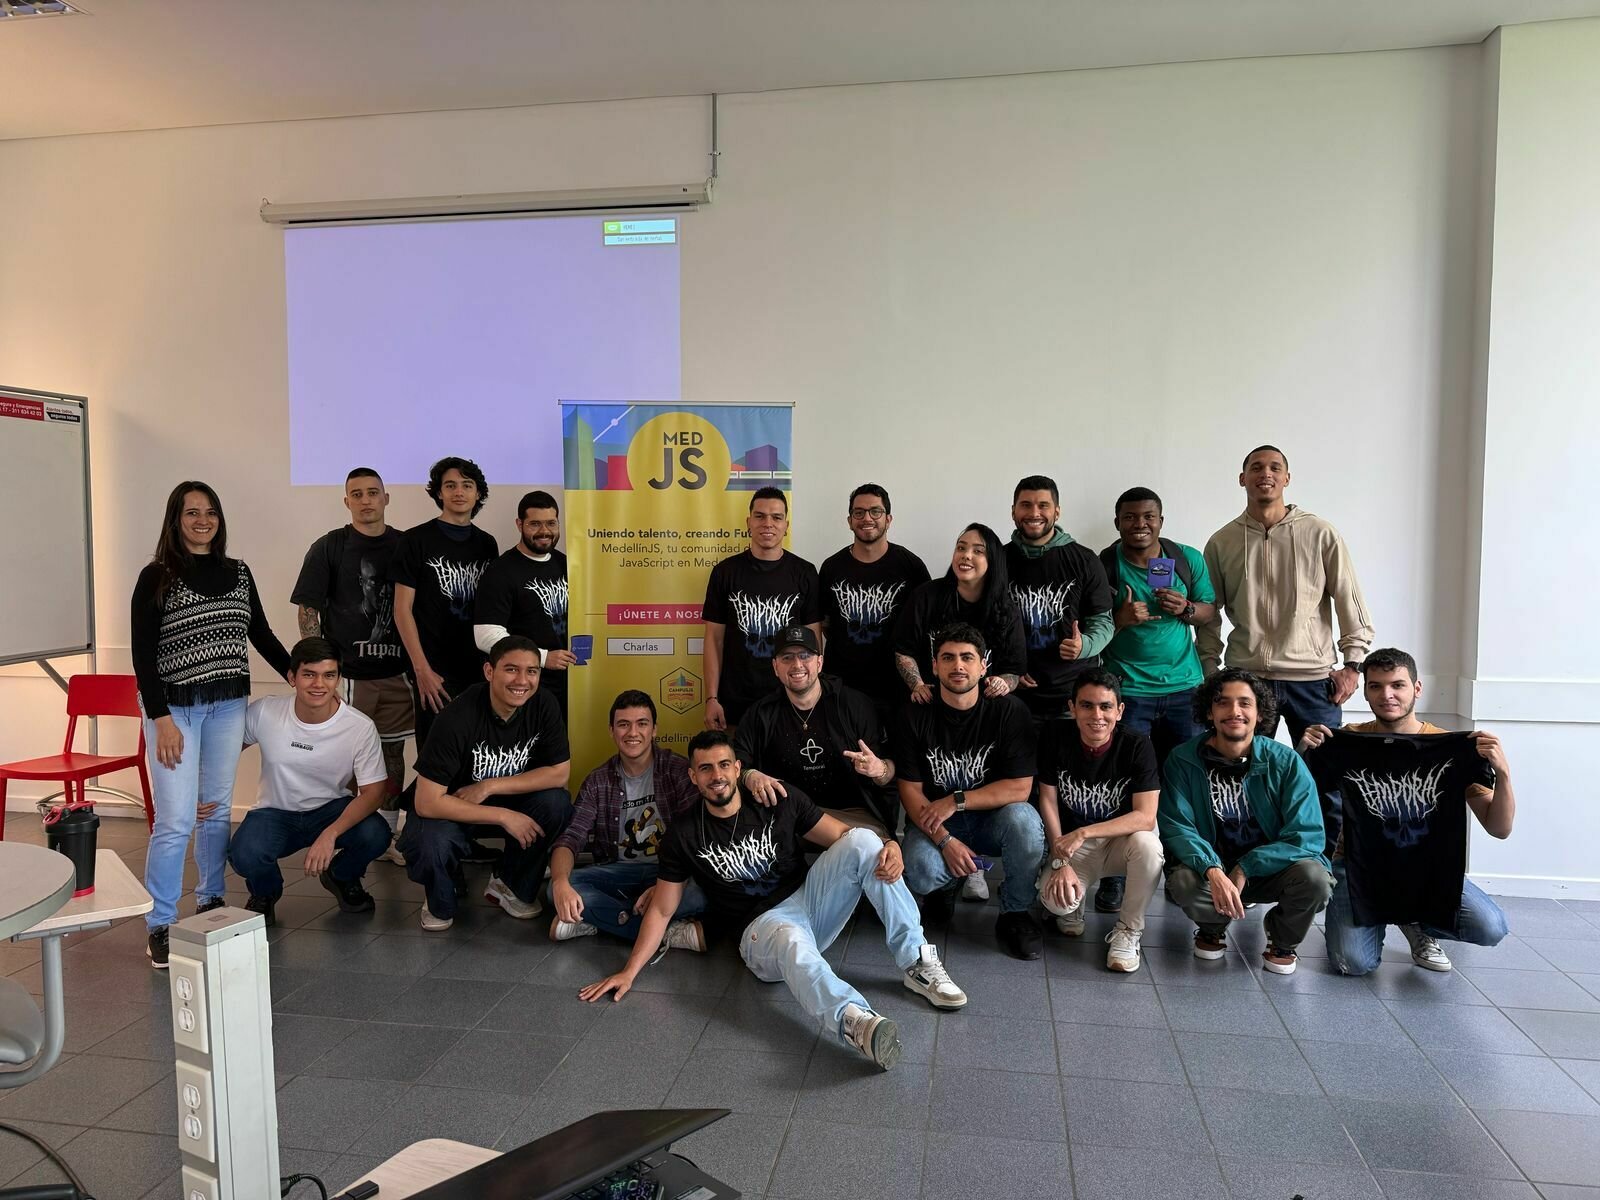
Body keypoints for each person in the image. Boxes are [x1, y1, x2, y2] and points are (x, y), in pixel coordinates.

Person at [579, 731, 968, 1071]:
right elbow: (663, 908)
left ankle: (916, 961)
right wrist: (629, 971)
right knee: (789, 939)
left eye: (724, 765)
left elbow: (844, 837)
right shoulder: (683, 835)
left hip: (809, 902)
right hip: (760, 931)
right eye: (706, 769)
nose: (717, 776)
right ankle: (855, 1021)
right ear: (693, 776)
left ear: (738, 769)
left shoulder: (777, 799)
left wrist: (888, 845)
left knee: (865, 841)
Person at [132, 481, 292, 968]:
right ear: (175, 519)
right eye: (192, 512)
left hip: (227, 705)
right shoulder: (157, 576)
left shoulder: (238, 572)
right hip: (173, 710)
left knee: (217, 809)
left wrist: (299, 673)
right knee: (176, 820)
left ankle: (210, 901)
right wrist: (161, 719)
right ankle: (160, 923)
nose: (202, 521)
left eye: (211, 512)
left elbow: (259, 632)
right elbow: (143, 656)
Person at [1299, 648, 1515, 975]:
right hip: (1359, 867)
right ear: (1366, 691)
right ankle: (1402, 914)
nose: (1387, 695)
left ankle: (1416, 920)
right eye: (1376, 686)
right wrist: (1304, 752)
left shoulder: (1450, 747)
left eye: (1397, 685)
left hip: (1429, 869)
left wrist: (1503, 774)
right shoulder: (1348, 741)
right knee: (1352, 964)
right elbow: (1298, 801)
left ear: (1417, 688)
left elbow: (1499, 828)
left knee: (1492, 927)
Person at [1158, 668, 1333, 975]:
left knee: (1316, 880)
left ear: (1259, 712)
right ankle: (1212, 927)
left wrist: (1246, 867)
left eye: (1245, 703)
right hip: (1212, 869)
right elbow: (1177, 826)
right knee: (1182, 882)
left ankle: (1282, 939)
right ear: (1209, 712)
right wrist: (1212, 870)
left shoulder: (1286, 762)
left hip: (1271, 869)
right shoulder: (1183, 759)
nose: (1234, 711)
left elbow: (1307, 835)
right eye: (1223, 702)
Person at [1197, 445, 1374, 744]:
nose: (1265, 473)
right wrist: (1210, 667)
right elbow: (1208, 610)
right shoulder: (1222, 542)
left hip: (1312, 681)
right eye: (1256, 467)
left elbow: (1349, 598)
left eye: (1275, 467)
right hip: (1247, 679)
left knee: (1320, 768)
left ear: (1287, 478)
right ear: (1242, 478)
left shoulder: (1320, 533)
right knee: (1244, 767)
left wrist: (1353, 665)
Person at [397, 636, 572, 931]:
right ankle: (441, 893)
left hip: (502, 798)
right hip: (452, 806)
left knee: (557, 804)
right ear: (489, 671)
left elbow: (559, 773)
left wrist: (489, 786)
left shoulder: (543, 703)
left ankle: (509, 884)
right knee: (430, 843)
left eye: (531, 671)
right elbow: (427, 802)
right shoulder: (457, 717)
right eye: (511, 669)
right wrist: (503, 816)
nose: (522, 680)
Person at [895, 623, 1045, 960]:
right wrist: (945, 842)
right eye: (948, 658)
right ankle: (945, 887)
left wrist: (956, 800)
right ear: (935, 667)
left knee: (1025, 822)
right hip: (938, 823)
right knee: (919, 869)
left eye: (967, 657)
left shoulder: (1009, 711)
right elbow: (910, 792)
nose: (958, 666)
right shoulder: (913, 713)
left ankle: (1015, 913)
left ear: (983, 666)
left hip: (993, 821)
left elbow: (1021, 787)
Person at [227, 638, 393, 927]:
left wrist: (331, 833)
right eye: (309, 674)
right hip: (275, 813)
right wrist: (204, 794)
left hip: (330, 810)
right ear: (292, 677)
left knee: (377, 833)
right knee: (244, 854)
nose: (319, 684)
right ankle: (265, 893)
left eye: (329, 675)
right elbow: (225, 754)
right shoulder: (266, 711)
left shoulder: (359, 727)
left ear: (338, 679)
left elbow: (374, 793)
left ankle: (342, 875)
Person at [291, 467, 412, 862]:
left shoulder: (406, 545)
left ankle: (386, 836)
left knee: (391, 757)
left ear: (386, 498)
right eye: (356, 494)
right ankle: (337, 833)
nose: (365, 500)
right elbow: (308, 609)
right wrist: (317, 667)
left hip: (396, 673)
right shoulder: (330, 546)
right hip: (348, 676)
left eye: (372, 492)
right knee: (339, 760)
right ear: (347, 502)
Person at [548, 690, 705, 946]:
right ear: (612, 731)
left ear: (654, 729)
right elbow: (571, 838)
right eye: (623, 724)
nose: (633, 733)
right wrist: (560, 883)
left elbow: (695, 837)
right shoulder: (598, 781)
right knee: (558, 887)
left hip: (669, 873)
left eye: (642, 723)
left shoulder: (677, 771)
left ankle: (599, 920)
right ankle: (662, 930)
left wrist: (665, 888)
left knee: (701, 892)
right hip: (618, 872)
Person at [1035, 669, 1164, 973]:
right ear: (1072, 708)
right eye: (1087, 705)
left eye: (1106, 706)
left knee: (1149, 845)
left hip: (1121, 842)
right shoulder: (1054, 736)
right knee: (1056, 903)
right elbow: (1048, 800)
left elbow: (1146, 816)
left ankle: (1128, 930)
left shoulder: (1137, 744)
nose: (1097, 715)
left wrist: (1084, 832)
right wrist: (1060, 861)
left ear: (1119, 710)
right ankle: (1075, 903)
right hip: (1073, 847)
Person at [734, 627, 898, 838]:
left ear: (819, 663)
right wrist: (750, 775)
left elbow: (892, 768)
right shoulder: (760, 714)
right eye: (787, 657)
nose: (797, 665)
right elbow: (735, 764)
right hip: (788, 817)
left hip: (850, 816)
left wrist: (880, 770)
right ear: (775, 666)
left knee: (871, 845)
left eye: (805, 656)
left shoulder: (854, 705)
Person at [1099, 486, 1216, 767]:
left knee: (1187, 770)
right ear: (1117, 523)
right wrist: (1120, 619)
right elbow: (1091, 629)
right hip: (1129, 690)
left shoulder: (1187, 558)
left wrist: (1186, 608)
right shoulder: (1103, 566)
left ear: (1161, 521)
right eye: (1130, 517)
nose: (1140, 524)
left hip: (1184, 687)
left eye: (1149, 516)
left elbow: (1208, 612)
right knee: (1131, 770)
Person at [391, 456, 499, 751]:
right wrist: (422, 669)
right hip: (434, 670)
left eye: (467, 485)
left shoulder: (487, 544)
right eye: (450, 485)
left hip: (478, 667)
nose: (458, 492)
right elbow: (402, 610)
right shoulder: (415, 540)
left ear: (478, 493)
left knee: (476, 749)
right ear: (439, 492)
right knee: (436, 752)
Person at [702, 487, 822, 732]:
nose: (768, 523)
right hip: (735, 704)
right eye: (760, 516)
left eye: (776, 517)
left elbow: (814, 643)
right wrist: (711, 698)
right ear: (748, 522)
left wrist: (813, 697)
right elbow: (714, 640)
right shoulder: (725, 573)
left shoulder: (805, 573)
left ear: (786, 525)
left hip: (791, 702)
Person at [1005, 474, 1115, 722]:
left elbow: (1104, 622)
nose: (1034, 513)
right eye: (1026, 505)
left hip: (1073, 698)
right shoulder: (998, 560)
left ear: (1057, 512)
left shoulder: (1085, 560)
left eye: (1043, 505)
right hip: (1016, 698)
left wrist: (1084, 645)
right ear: (1013, 511)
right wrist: (1008, 670)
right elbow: (987, 624)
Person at [817, 483, 931, 711]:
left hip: (897, 689)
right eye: (859, 512)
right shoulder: (831, 568)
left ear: (888, 519)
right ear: (850, 520)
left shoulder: (911, 567)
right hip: (842, 688)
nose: (867, 518)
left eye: (875, 511)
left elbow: (926, 626)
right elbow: (825, 624)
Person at [894, 524, 1026, 705]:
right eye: (961, 548)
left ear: (993, 560)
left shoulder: (1006, 610)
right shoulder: (925, 596)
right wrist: (917, 685)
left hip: (982, 706)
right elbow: (903, 650)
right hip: (932, 702)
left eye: (978, 551)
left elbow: (1014, 671)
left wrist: (1003, 683)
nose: (966, 555)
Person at [474, 490, 574, 723]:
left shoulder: (566, 564)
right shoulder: (500, 571)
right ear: (519, 524)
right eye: (535, 524)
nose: (544, 531)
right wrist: (543, 658)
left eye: (551, 523)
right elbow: (485, 636)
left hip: (571, 686)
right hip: (524, 687)